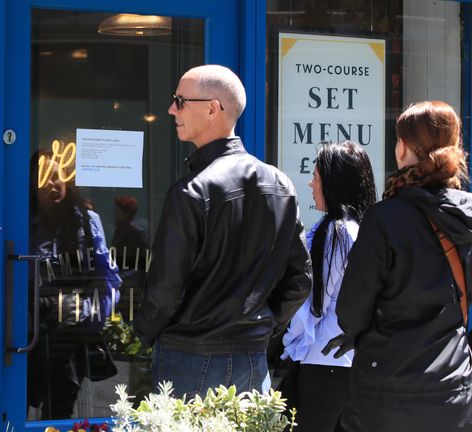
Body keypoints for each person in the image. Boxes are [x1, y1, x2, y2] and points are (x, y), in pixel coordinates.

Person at [134, 64, 312, 398]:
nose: (172, 109)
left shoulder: (191, 191)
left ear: (213, 108)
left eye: (180, 100)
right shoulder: (280, 185)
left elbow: (165, 290)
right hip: (251, 356)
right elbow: (300, 279)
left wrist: (141, 335)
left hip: (189, 355)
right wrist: (263, 325)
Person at [323, 101, 472, 431]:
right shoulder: (467, 216)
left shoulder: (386, 217)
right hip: (452, 385)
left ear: (404, 149)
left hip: (385, 385)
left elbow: (351, 308)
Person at [280, 142, 376, 432]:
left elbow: (308, 308)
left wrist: (289, 346)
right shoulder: (364, 230)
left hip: (323, 363)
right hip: (353, 364)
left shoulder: (334, 232)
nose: (310, 183)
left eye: (317, 177)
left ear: (334, 184)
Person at [27, 151, 122, 419]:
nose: (51, 184)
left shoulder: (87, 221)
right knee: (15, 406)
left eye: (56, 177)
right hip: (28, 331)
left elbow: (108, 279)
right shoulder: (20, 222)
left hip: (69, 337)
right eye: (42, 178)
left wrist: (89, 312)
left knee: (59, 414)